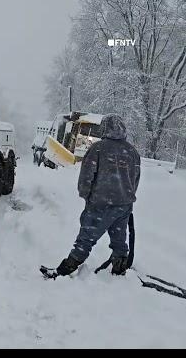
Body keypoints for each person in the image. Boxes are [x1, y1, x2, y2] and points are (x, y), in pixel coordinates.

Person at [43, 114, 141, 278]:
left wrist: (87, 196)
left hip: (100, 205)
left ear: (104, 128)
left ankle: (66, 268)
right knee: (119, 240)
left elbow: (86, 177)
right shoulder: (132, 152)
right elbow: (135, 179)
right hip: (123, 206)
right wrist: (125, 196)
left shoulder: (98, 148)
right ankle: (119, 268)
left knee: (85, 239)